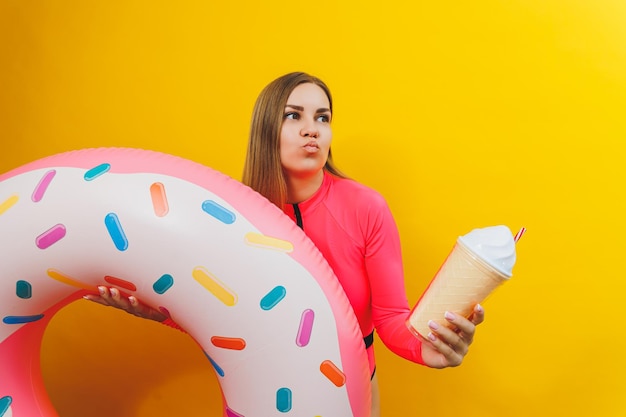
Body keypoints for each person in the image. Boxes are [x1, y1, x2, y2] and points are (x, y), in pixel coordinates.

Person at [85, 72, 485, 416]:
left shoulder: (366, 207)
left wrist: (428, 349)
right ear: (266, 129)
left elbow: (392, 320)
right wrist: (160, 313)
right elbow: (224, 313)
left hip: (347, 390)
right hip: (257, 385)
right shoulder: (231, 214)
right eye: (293, 116)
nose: (312, 128)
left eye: (322, 118)